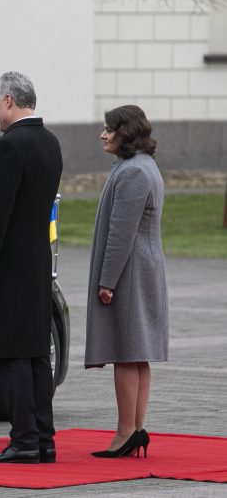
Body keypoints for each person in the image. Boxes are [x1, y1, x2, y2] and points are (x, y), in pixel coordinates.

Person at [0, 71, 63, 464]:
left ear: (8, 101)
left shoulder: (9, 147)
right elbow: (26, 209)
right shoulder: (50, 142)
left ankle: (22, 440)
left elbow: (1, 214)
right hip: (37, 262)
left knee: (13, 356)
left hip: (10, 268)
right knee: (37, 354)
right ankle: (43, 439)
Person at [84, 105, 169, 458]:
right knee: (137, 354)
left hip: (129, 273)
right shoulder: (140, 166)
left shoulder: (133, 172)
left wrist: (107, 282)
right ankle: (135, 429)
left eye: (109, 129)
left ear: (126, 133)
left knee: (125, 352)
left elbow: (121, 234)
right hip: (140, 270)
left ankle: (124, 433)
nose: (103, 135)